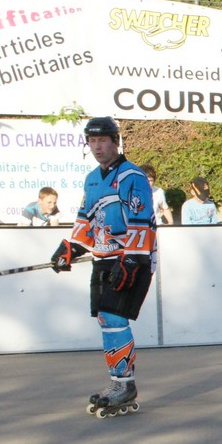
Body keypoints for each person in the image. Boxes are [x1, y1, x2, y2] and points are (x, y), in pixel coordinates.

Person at [48, 116, 156, 417]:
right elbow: (86, 218)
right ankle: (119, 382)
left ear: (115, 142)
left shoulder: (132, 176)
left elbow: (141, 218)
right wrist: (71, 248)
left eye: (102, 141)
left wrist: (132, 259)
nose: (97, 147)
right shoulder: (92, 178)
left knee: (114, 317)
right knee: (106, 320)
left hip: (130, 258)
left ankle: (124, 384)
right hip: (103, 258)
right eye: (92, 141)